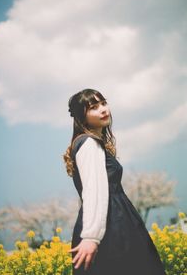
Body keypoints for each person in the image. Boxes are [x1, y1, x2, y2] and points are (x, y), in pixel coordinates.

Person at [63, 88, 167, 275]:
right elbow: (93, 191)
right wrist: (91, 237)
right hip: (113, 226)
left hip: (114, 221)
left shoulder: (89, 142)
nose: (103, 109)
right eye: (94, 107)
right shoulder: (89, 144)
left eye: (104, 103)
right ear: (81, 117)